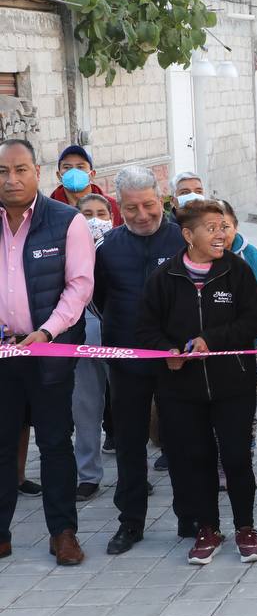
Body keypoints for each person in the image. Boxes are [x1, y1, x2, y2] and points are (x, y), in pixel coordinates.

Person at [135, 199, 257, 565]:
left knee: (237, 457)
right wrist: (167, 351)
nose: (220, 234)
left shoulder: (236, 272)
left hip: (233, 384)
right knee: (197, 458)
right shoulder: (164, 278)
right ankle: (207, 528)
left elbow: (255, 320)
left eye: (223, 226)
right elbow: (144, 330)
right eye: (211, 227)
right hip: (180, 389)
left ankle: (246, 528)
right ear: (188, 234)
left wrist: (214, 339)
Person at [0, 140, 94, 566]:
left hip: (50, 349)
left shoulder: (66, 221)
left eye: (19, 169)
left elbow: (79, 285)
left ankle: (63, 533)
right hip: (3, 354)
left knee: (55, 443)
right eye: (2, 171)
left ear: (36, 171)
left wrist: (46, 331)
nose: (11, 179)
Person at [94, 167, 187, 554]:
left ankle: (192, 516)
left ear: (161, 196)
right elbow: (97, 299)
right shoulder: (109, 247)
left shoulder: (184, 237)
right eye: (131, 208)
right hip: (126, 359)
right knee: (129, 443)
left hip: (176, 361)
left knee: (184, 440)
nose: (142, 215)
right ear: (119, 206)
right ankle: (130, 521)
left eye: (149, 205)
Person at [70, 195, 113, 503]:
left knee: (125, 409)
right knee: (85, 408)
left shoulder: (118, 249)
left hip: (117, 339)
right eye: (87, 213)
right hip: (80, 340)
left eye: (101, 213)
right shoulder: (66, 249)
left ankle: (133, 472)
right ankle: (88, 475)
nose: (95, 219)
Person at [51, 145, 122, 227]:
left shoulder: (113, 206)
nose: (74, 172)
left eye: (80, 167)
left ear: (92, 174)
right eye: (67, 167)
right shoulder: (48, 210)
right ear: (59, 175)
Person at [221, 201, 257, 285]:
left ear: (235, 227)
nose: (219, 234)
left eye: (225, 227)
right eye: (211, 228)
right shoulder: (196, 258)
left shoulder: (252, 255)